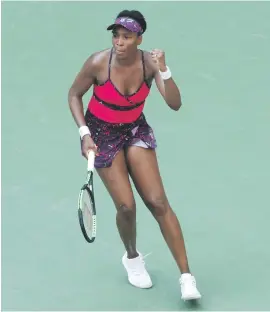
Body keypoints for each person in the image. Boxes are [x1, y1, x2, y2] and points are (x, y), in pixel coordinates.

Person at [68, 9, 201, 301]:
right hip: (101, 135)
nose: (119, 41)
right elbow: (74, 95)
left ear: (139, 39)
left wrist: (164, 69)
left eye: (126, 37)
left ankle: (187, 277)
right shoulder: (98, 63)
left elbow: (175, 104)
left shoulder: (150, 65)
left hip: (134, 131)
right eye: (116, 35)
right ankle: (132, 257)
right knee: (126, 207)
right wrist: (84, 134)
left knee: (158, 202)